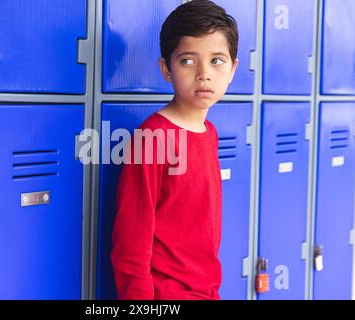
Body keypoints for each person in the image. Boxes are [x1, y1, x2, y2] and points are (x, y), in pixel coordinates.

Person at [110, 0, 239, 300]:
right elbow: (131, 243)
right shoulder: (153, 138)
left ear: (233, 69)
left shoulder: (210, 133)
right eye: (188, 61)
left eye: (217, 60)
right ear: (166, 69)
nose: (204, 74)